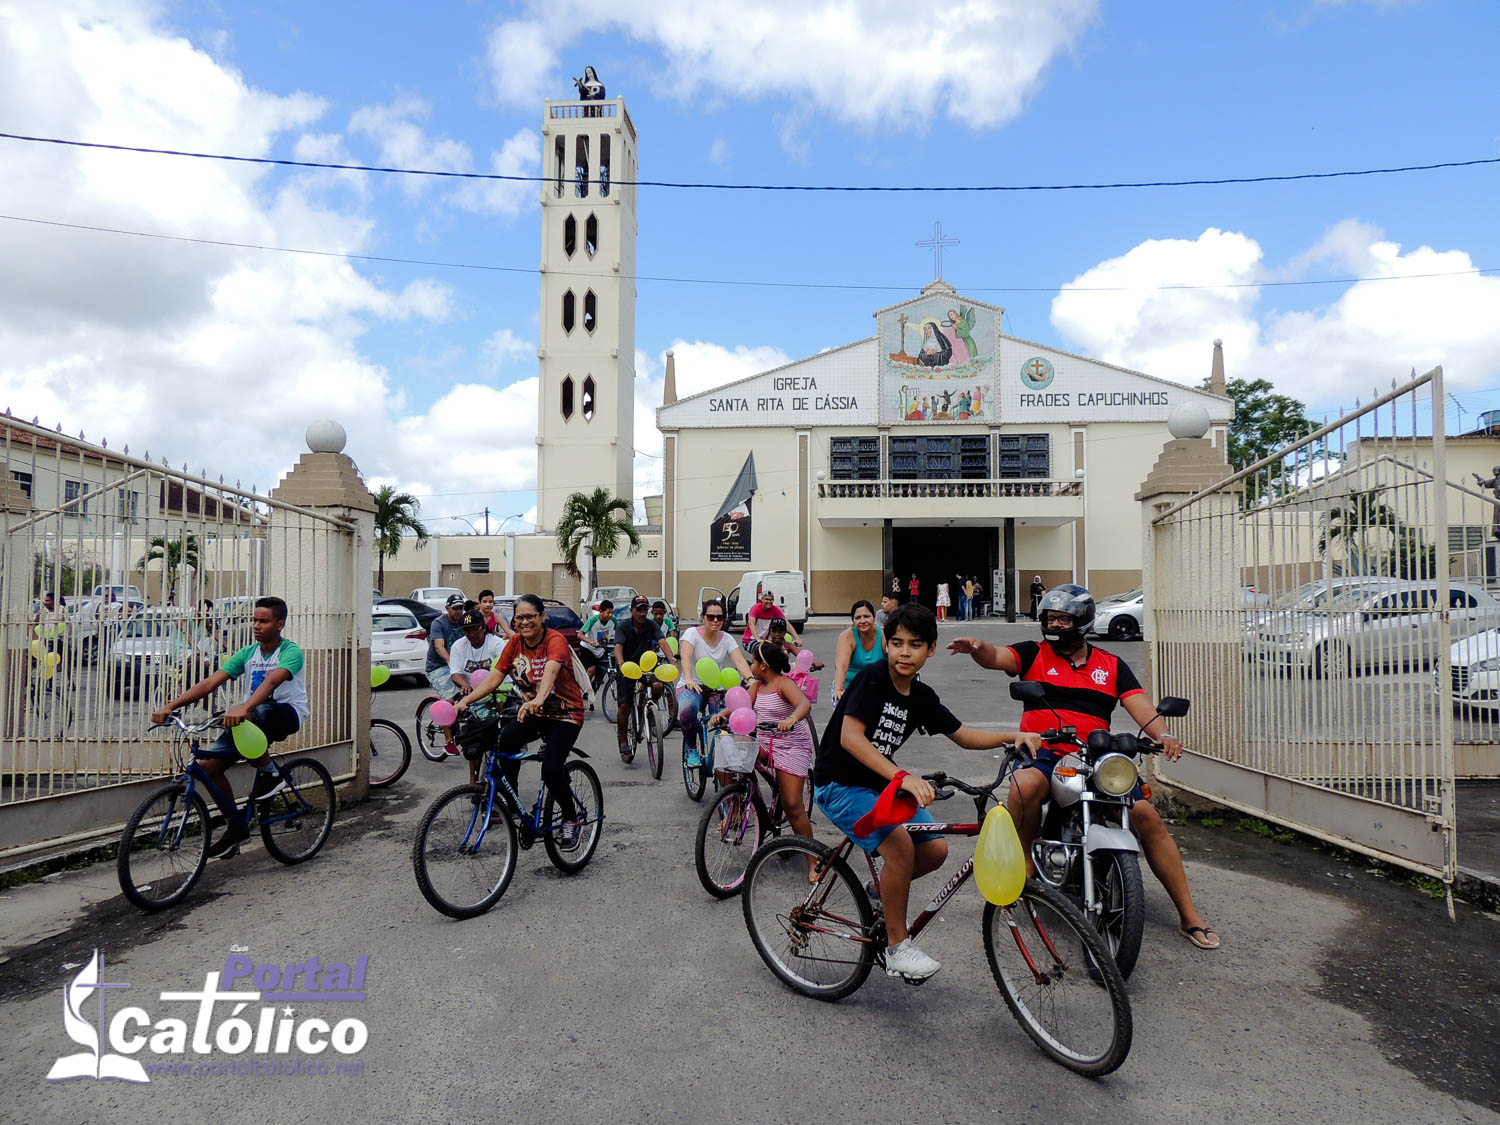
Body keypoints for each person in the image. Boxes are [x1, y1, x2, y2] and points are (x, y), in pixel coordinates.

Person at [947, 583, 1220, 951]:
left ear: (1082, 622)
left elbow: (1140, 706)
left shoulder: (1111, 666)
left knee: (1148, 818)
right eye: (1051, 618)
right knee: (1022, 788)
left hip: (1094, 757)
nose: (1056, 624)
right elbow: (998, 657)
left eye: (1063, 618)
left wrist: (1163, 734)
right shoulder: (1033, 654)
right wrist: (978, 649)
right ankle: (1023, 865)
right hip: (1042, 751)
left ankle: (1190, 915)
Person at [814, 601, 1042, 981]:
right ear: (886, 645)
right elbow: (851, 739)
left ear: (931, 649)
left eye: (915, 644)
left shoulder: (921, 697)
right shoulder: (871, 679)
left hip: (878, 783)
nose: (905, 652)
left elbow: (964, 735)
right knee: (901, 847)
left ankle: (880, 889)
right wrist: (902, 777)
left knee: (935, 849)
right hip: (839, 783)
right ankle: (897, 947)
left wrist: (1011, 735)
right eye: (898, 643)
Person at [151, 596, 309, 859]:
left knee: (257, 710)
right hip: (252, 719)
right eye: (255, 620)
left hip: (285, 714)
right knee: (209, 767)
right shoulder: (247, 653)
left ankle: (270, 773)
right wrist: (171, 706)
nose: (256, 625)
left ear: (279, 624)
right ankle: (236, 826)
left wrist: (244, 708)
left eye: (264, 621)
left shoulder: (290, 652)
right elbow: (210, 683)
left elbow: (271, 684)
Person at [458, 594, 588, 849]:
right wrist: (465, 701)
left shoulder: (555, 640)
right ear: (514, 621)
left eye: (530, 616)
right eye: (520, 617)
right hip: (535, 712)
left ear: (542, 617)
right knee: (506, 738)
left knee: (550, 769)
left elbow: (551, 671)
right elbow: (495, 677)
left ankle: (571, 820)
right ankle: (511, 799)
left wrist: (538, 699)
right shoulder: (515, 643)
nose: (525, 622)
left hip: (566, 714)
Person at [709, 639, 818, 877]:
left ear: (764, 665)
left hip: (791, 745)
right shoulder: (758, 685)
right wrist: (721, 714)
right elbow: (741, 704)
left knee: (792, 805)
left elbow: (803, 704)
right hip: (767, 741)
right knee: (728, 750)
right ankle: (737, 806)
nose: (752, 666)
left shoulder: (783, 684)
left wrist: (791, 720)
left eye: (754, 662)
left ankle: (813, 862)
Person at [677, 598, 754, 768]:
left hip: (715, 688)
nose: (716, 621)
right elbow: (686, 657)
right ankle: (691, 749)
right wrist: (689, 679)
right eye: (711, 617)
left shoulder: (726, 638)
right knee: (687, 711)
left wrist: (751, 679)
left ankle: (725, 759)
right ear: (703, 617)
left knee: (725, 721)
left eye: (720, 617)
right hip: (692, 685)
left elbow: (739, 661)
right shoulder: (691, 633)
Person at [448, 608, 508, 783]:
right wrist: (464, 684)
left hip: (497, 693)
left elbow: (505, 671)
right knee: (472, 741)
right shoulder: (459, 645)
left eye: (475, 629)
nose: (471, 634)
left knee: (502, 738)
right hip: (471, 696)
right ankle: (473, 781)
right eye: (467, 630)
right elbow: (455, 673)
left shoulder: (496, 643)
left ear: (483, 627)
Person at [613, 595, 675, 761]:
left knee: (658, 687)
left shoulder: (651, 625)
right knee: (624, 705)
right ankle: (623, 739)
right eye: (638, 609)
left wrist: (672, 660)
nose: (642, 613)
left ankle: (644, 708)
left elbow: (662, 642)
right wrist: (620, 663)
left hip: (646, 666)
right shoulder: (623, 626)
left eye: (644, 609)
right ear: (632, 610)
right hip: (627, 667)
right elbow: (618, 646)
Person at [832, 599, 885, 703]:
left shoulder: (884, 634)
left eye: (866, 616)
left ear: (874, 617)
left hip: (879, 687)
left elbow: (894, 659)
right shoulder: (847, 636)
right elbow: (842, 666)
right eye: (857, 618)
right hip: (851, 686)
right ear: (853, 621)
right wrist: (839, 690)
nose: (862, 621)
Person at [578, 599, 615, 688]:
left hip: (601, 649)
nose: (610, 615)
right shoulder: (593, 620)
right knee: (591, 669)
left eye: (612, 613)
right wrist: (591, 642)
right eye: (608, 613)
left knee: (601, 672)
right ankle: (584, 689)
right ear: (601, 611)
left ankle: (594, 686)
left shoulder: (613, 620)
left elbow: (619, 632)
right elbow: (580, 634)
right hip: (588, 648)